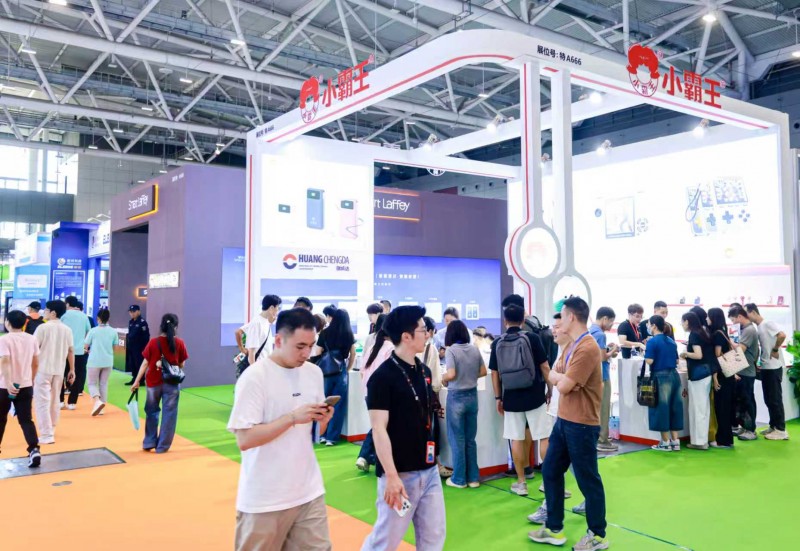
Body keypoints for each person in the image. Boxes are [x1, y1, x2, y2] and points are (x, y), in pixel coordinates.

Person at [227, 308, 334, 551]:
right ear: (278, 341)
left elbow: (313, 433)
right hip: (264, 499)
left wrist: (323, 419)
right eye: (300, 346)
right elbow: (244, 439)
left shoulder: (314, 373)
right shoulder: (254, 378)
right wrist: (292, 418)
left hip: (308, 491)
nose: (306, 353)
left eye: (311, 345)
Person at [361, 305, 446, 551]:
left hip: (429, 470)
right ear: (406, 336)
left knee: (434, 536)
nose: (427, 334)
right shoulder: (382, 378)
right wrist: (391, 475)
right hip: (399, 474)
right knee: (384, 541)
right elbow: (379, 430)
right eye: (422, 330)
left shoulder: (424, 371)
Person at [530, 297, 608, 551]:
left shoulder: (587, 347)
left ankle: (597, 535)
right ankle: (554, 528)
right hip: (564, 421)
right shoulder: (570, 346)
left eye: (561, 317)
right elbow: (557, 376)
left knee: (588, 480)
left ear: (571, 317)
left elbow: (562, 385)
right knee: (551, 470)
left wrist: (560, 379)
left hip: (582, 424)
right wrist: (560, 378)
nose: (558, 323)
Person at [490, 304, 551, 497]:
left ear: (505, 321)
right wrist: (550, 389)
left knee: (516, 438)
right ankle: (548, 482)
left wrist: (498, 397)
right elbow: (544, 366)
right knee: (543, 436)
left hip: (511, 398)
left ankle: (521, 482)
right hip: (535, 395)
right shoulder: (532, 338)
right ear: (523, 320)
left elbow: (495, 373)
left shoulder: (497, 342)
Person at [130, 313, 188, 453]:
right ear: (176, 326)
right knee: (169, 414)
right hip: (172, 384)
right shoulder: (179, 343)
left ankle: (149, 442)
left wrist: (136, 381)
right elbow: (182, 364)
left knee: (151, 411)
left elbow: (145, 364)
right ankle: (162, 446)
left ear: (161, 326)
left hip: (153, 383)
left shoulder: (153, 342)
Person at [442, 319, 486, 489]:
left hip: (456, 397)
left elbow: (451, 374)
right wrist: (469, 377)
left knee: (457, 439)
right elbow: (483, 371)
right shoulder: (474, 349)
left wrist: (443, 378)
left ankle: (459, 479)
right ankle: (473, 478)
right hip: (472, 396)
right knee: (470, 439)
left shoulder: (451, 350)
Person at [0, 310, 41, 467]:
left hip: (4, 386)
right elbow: (35, 363)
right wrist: (31, 380)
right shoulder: (32, 339)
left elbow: (4, 360)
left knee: (1, 419)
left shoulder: (5, 340)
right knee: (26, 420)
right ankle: (34, 449)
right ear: (24, 323)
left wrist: (9, 382)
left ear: (7, 323)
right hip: (25, 385)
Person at [355, 316, 394, 473]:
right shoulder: (390, 349)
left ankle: (368, 457)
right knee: (381, 427)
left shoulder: (373, 347)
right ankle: (367, 456)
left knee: (378, 426)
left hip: (369, 392)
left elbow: (362, 372)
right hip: (383, 394)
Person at [745, 304, 789, 440]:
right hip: (765, 367)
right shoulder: (759, 327)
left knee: (775, 399)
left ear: (753, 312)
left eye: (746, 313)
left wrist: (775, 349)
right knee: (769, 399)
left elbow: (782, 335)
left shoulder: (767, 323)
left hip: (773, 367)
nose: (746, 316)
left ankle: (781, 430)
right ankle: (773, 426)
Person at [33, 300, 75, 445]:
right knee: (55, 400)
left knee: (42, 401)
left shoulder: (42, 328)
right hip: (59, 370)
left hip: (42, 369)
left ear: (53, 313)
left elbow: (34, 349)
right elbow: (71, 350)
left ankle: (46, 434)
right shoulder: (67, 329)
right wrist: (72, 369)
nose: (44, 312)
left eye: (46, 310)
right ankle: (51, 428)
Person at [644, 315, 683, 452]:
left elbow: (649, 361)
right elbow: (677, 361)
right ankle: (675, 441)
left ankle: (665, 442)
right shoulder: (671, 341)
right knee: (675, 408)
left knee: (661, 408)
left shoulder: (652, 342)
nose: (648, 327)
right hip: (674, 376)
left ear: (654, 326)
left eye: (649, 324)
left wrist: (645, 351)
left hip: (660, 377)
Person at [317, 309, 356, 446]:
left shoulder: (325, 332)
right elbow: (353, 354)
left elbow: (318, 351)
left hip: (326, 371)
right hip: (341, 371)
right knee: (338, 404)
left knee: (324, 402)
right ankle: (332, 438)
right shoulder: (348, 334)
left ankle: (321, 434)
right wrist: (348, 368)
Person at [680, 312, 714, 450]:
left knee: (698, 408)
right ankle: (701, 439)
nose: (682, 324)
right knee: (703, 408)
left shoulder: (694, 334)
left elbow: (698, 355)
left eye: (682, 321)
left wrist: (685, 354)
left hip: (698, 375)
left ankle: (699, 441)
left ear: (687, 321)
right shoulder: (703, 332)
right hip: (705, 374)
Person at [589, 307, 620, 452]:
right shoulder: (600, 335)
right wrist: (613, 350)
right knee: (604, 409)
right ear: (605, 318)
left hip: (593, 376)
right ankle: (602, 439)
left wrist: (607, 349)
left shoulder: (590, 331)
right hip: (602, 376)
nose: (611, 325)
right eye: (611, 322)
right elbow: (602, 357)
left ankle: (598, 437)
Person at [727, 306, 759, 440]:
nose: (733, 323)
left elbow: (740, 350)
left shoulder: (749, 330)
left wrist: (729, 342)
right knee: (742, 401)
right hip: (742, 370)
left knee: (747, 401)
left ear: (740, 317)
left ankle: (750, 430)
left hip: (746, 372)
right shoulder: (746, 330)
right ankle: (745, 427)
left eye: (733, 320)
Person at [708, 307, 736, 449]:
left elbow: (718, 354)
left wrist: (715, 375)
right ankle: (726, 438)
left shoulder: (717, 334)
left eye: (708, 316)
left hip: (722, 374)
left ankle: (723, 439)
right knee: (725, 407)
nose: (707, 319)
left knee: (722, 407)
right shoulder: (723, 332)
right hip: (728, 373)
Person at [84, 308, 119, 417]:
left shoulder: (93, 331)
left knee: (91, 383)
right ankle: (102, 407)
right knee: (103, 384)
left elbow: (86, 346)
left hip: (94, 361)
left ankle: (97, 401)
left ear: (98, 318)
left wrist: (87, 350)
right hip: (108, 361)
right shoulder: (113, 331)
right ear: (108, 318)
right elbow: (116, 348)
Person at [61, 296, 91, 409]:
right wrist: (84, 345)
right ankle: (72, 402)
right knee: (77, 375)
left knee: (61, 375)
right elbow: (89, 331)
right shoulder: (84, 316)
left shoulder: (63, 315)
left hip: (64, 350)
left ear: (67, 304)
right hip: (79, 351)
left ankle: (60, 400)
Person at [236, 295, 282, 368]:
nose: (278, 311)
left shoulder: (265, 321)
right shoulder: (256, 323)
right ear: (271, 308)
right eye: (278, 308)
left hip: (266, 366)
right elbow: (251, 354)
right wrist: (255, 371)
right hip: (260, 367)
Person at [125, 305, 150, 385]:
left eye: (134, 312)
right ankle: (134, 378)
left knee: (138, 363)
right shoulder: (131, 322)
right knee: (132, 363)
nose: (132, 313)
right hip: (131, 347)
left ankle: (141, 380)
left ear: (138, 311)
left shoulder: (142, 322)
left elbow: (146, 337)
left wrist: (144, 348)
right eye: (130, 312)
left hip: (139, 348)